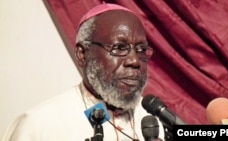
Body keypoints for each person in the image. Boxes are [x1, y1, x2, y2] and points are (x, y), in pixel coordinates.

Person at [1, 3, 164, 141]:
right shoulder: (39, 126)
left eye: (141, 49)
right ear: (83, 54)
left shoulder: (158, 119)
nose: (134, 61)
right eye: (119, 48)